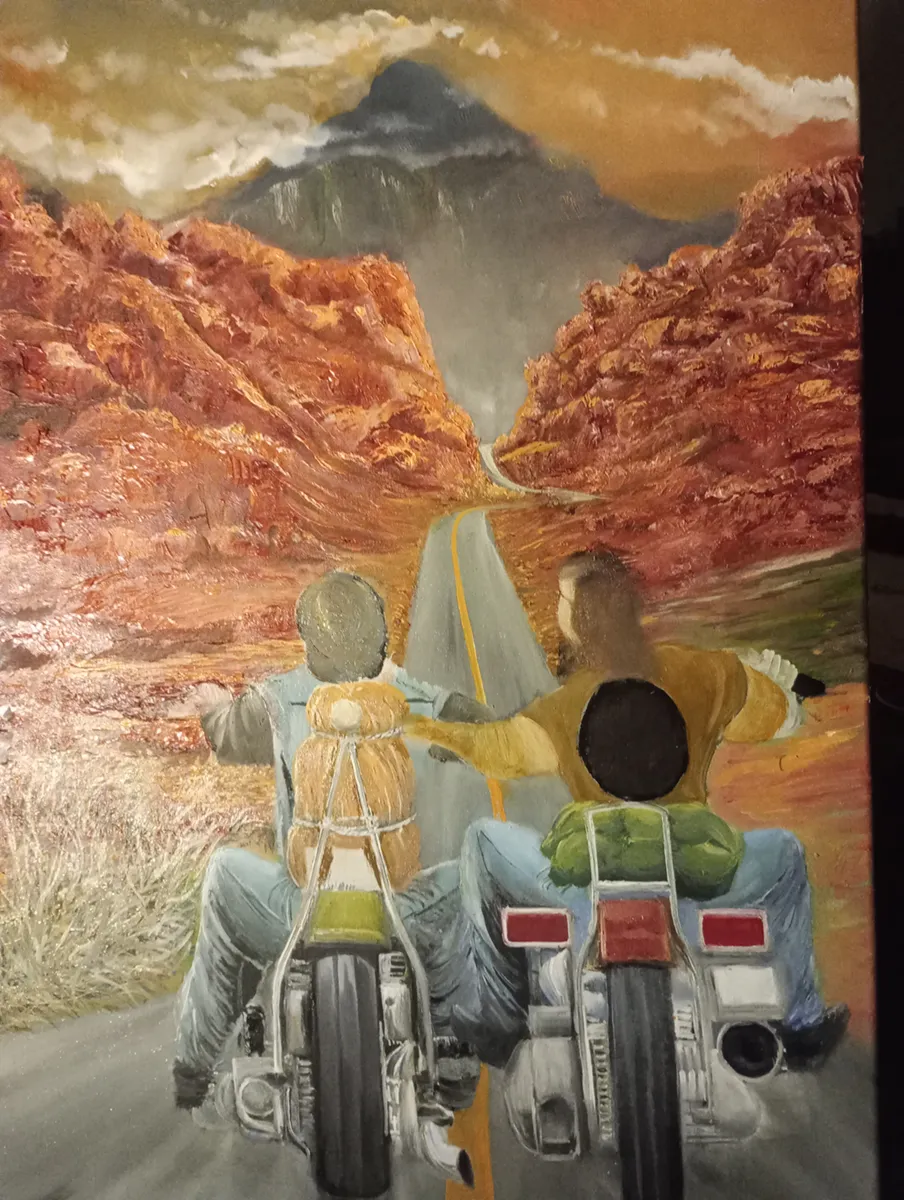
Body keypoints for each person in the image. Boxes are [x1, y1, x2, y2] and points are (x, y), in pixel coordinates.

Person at [399, 550, 850, 1070]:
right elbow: (772, 716)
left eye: (563, 601)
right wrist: (775, 687)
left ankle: (500, 1019)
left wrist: (427, 729)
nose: (557, 611)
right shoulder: (704, 672)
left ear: (583, 618)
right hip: (693, 884)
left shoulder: (566, 704)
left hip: (588, 887)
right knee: (786, 852)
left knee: (481, 840)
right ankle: (801, 1024)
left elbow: (500, 749)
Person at [172, 570, 491, 1110]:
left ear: (308, 642)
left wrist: (212, 705)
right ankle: (450, 1040)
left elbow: (225, 738)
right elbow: (481, 726)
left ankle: (194, 1064)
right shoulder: (415, 699)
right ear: (382, 638)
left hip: (301, 910)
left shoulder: (275, 700)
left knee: (225, 874)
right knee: (464, 884)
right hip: (400, 913)